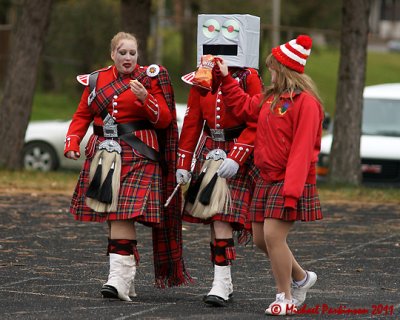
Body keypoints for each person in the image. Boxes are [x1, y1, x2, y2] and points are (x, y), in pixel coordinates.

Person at [64, 31, 190, 301]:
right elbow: (81, 115)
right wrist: (72, 142)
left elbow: (165, 121)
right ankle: (125, 279)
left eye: (133, 53)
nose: (128, 58)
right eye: (123, 53)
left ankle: (118, 280)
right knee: (113, 217)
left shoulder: (150, 78)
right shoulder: (96, 79)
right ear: (113, 54)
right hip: (103, 154)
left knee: (120, 213)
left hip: (138, 153)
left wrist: (146, 98)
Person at [217, 34, 324, 315]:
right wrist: (227, 80)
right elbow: (243, 108)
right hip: (265, 179)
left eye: (273, 67)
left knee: (274, 237)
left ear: (285, 68)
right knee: (261, 240)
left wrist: (291, 193)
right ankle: (301, 278)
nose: (270, 71)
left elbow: (302, 151)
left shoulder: (306, 104)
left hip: (289, 181)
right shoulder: (270, 99)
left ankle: (284, 296)